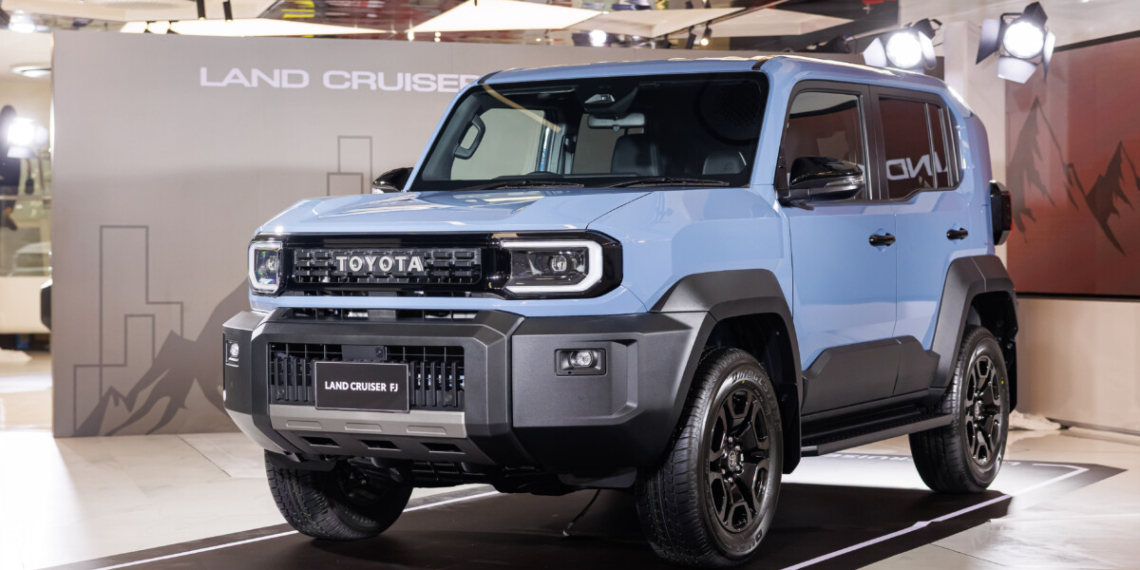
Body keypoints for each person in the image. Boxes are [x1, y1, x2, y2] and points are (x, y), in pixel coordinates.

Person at [0, 105, 20, 231]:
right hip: (9, 177)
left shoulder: (15, 135)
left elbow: (16, 174)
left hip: (11, 175)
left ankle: (5, 215)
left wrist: (9, 207)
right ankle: (5, 215)